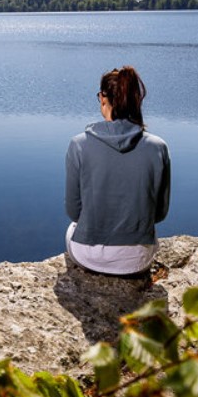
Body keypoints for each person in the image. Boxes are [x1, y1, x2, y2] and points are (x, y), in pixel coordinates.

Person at [64, 66, 170, 276]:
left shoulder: (78, 144)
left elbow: (74, 212)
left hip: (88, 256)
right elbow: (159, 214)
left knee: (71, 229)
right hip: (138, 260)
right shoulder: (158, 147)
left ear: (103, 98)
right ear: (136, 101)